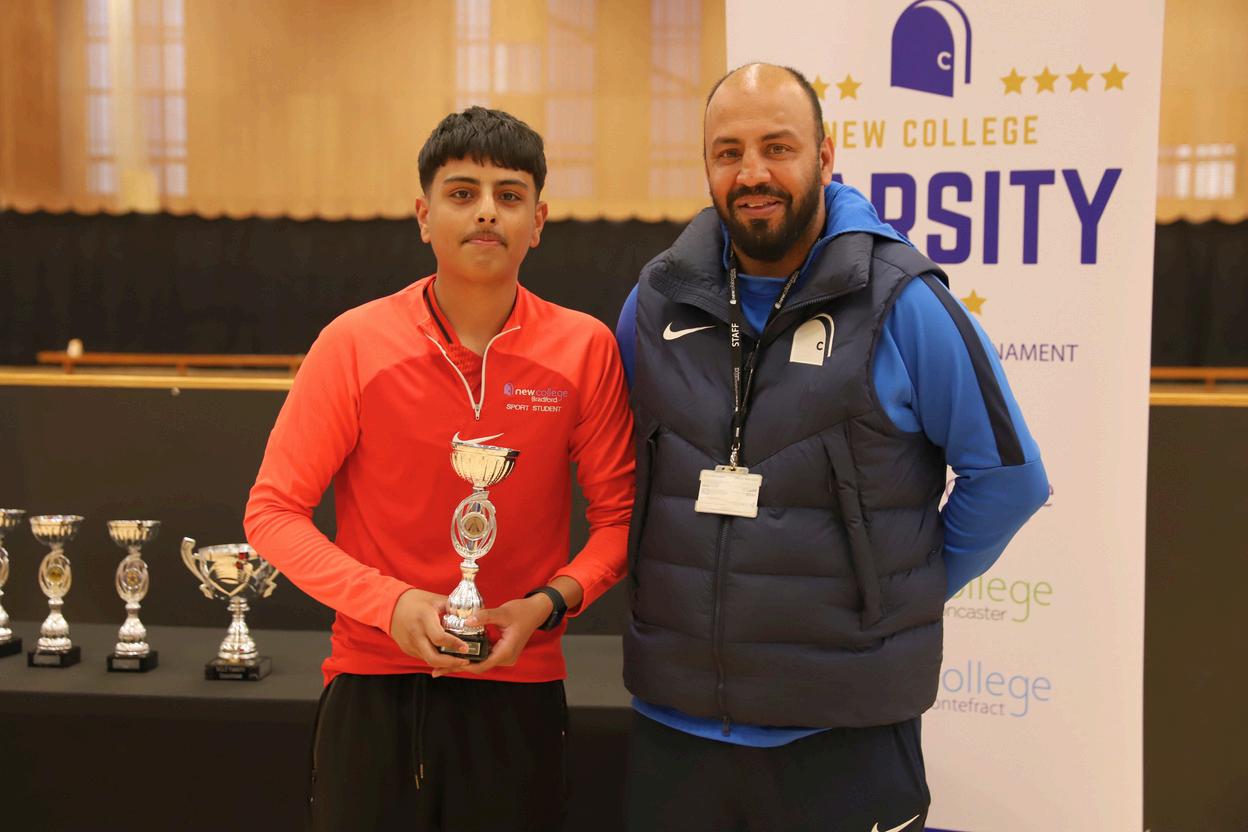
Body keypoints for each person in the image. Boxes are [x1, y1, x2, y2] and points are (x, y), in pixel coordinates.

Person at [616, 63, 1050, 831]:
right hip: (674, 726)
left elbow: (1010, 477)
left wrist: (892, 588)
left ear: (825, 155)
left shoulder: (903, 302)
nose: (752, 172)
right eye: (728, 152)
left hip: (842, 736)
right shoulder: (655, 301)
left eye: (777, 147)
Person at [244, 106, 634, 832]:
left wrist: (544, 605)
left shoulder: (586, 349)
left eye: (508, 196)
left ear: (538, 221)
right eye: (462, 193)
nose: (486, 212)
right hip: (373, 686)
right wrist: (389, 604)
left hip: (521, 688)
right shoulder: (353, 343)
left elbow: (619, 523)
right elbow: (271, 512)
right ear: (424, 216)